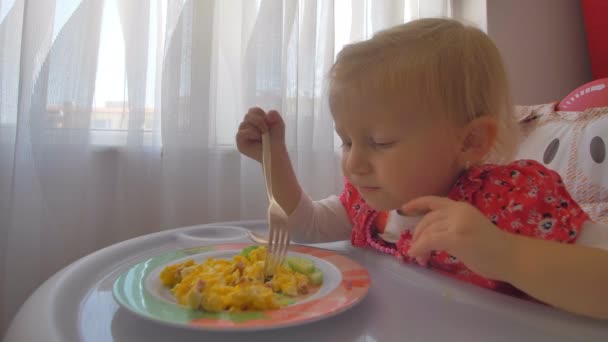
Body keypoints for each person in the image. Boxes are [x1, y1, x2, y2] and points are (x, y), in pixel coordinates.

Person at [236, 18, 608, 319]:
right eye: (346, 141)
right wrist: (273, 158)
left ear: (470, 142)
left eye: (381, 143)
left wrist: (505, 254)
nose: (353, 163)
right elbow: (308, 226)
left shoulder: (512, 201)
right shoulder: (371, 206)